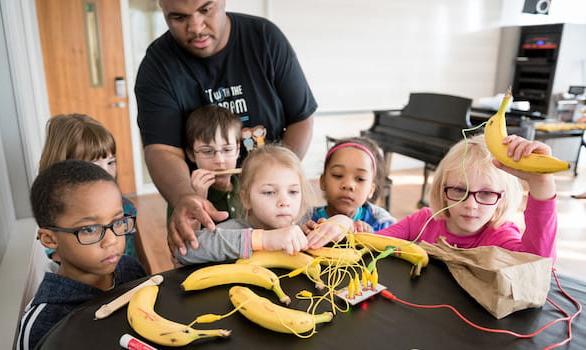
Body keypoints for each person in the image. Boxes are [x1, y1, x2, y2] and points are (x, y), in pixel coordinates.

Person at [135, 0, 317, 257]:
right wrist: (187, 197)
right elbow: (161, 150)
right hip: (200, 197)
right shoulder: (157, 66)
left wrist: (275, 184)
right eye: (178, 17)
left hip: (269, 197)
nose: (196, 27)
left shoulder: (265, 38)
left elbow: (301, 118)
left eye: (205, 10)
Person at [16, 160, 146, 350]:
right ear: (50, 240)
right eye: (90, 229)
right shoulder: (43, 322)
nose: (111, 240)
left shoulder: (130, 269)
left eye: (118, 221)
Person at [373, 134, 557, 259]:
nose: (470, 205)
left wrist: (542, 183)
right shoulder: (423, 222)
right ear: (441, 191)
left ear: (502, 198)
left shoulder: (500, 238)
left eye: (486, 193)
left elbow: (537, 265)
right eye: (459, 191)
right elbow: (372, 243)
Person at [176, 145, 354, 264]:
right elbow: (184, 251)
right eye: (269, 192)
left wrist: (343, 222)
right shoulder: (234, 230)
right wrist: (264, 240)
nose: (284, 202)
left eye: (293, 192)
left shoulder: (306, 223)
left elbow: (347, 232)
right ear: (246, 199)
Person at [38, 114, 139, 262]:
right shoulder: (56, 218)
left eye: (111, 162)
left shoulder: (125, 206)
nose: (106, 173)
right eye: (94, 165)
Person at [311, 137, 396, 236]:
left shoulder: (381, 223)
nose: (348, 185)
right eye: (338, 175)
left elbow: (397, 248)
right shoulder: (305, 220)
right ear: (323, 181)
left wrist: (372, 240)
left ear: (371, 190)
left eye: (360, 179)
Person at [183, 105, 242, 219]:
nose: (219, 160)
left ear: (237, 150)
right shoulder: (183, 195)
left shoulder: (249, 189)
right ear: (191, 154)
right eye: (207, 151)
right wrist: (198, 198)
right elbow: (186, 236)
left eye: (227, 150)